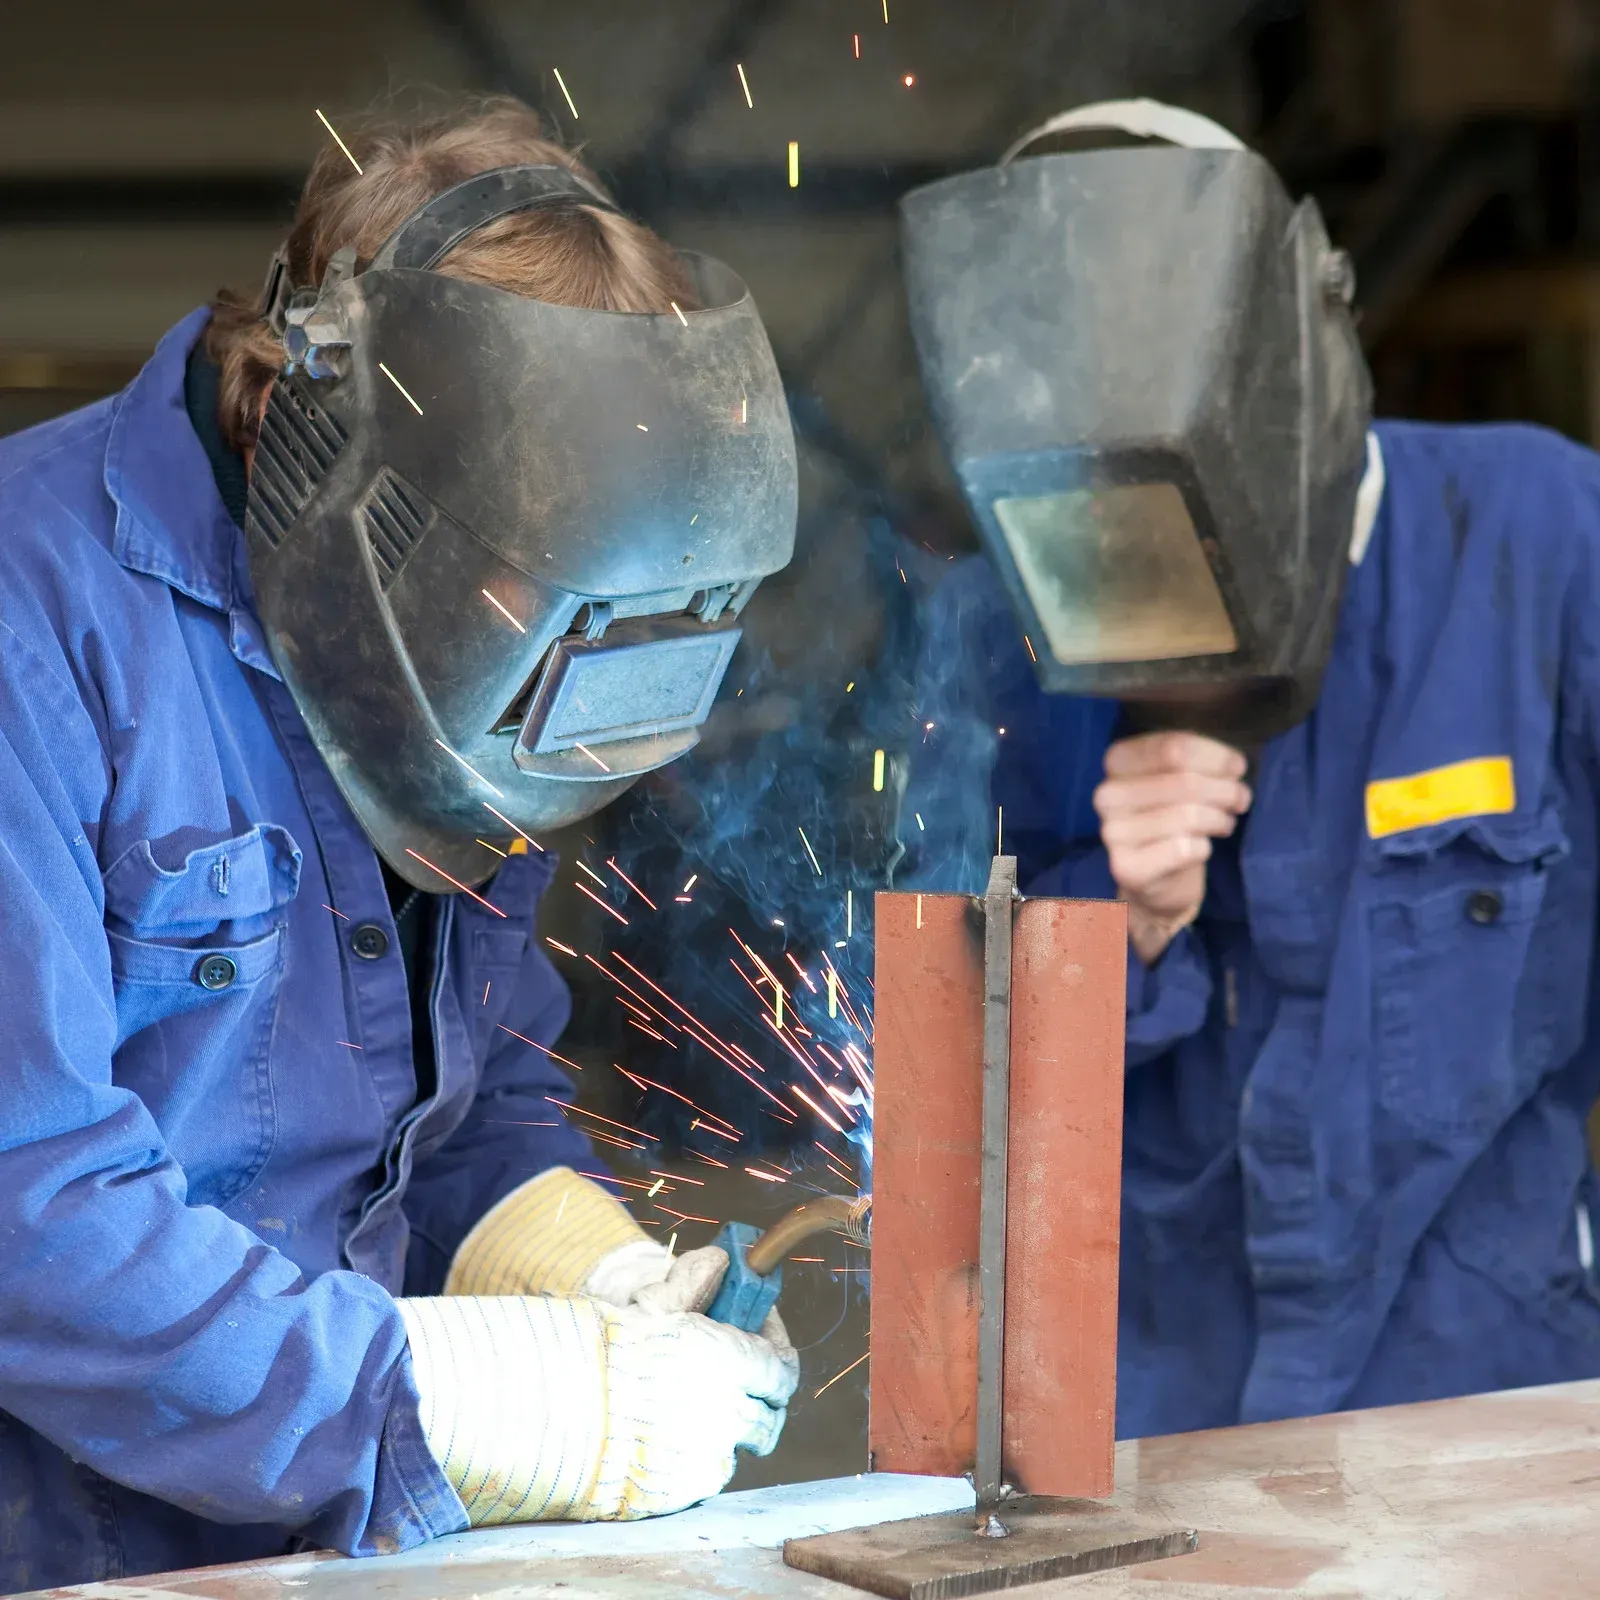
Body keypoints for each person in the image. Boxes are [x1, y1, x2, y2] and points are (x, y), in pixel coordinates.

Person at [0, 96, 799, 1592]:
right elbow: (24, 1217)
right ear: (334, 450)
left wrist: (593, 1277)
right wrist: (476, 1404)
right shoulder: (31, 621)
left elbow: (454, 1109)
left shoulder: (473, 649)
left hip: (324, 1556)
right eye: (510, 601)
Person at [900, 99, 1600, 1439]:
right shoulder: (1002, 626)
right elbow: (954, 1104)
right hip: (1162, 1415)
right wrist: (1116, 926)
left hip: (1480, 1400)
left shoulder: (1539, 538)